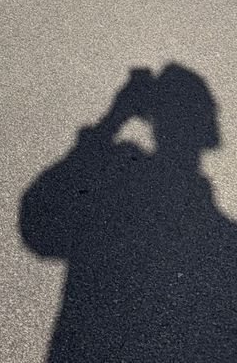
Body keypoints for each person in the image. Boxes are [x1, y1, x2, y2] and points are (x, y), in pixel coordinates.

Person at [19, 64, 237, 361]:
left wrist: (112, 120)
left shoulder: (113, 185)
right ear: (209, 132)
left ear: (151, 118)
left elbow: (38, 222)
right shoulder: (225, 243)